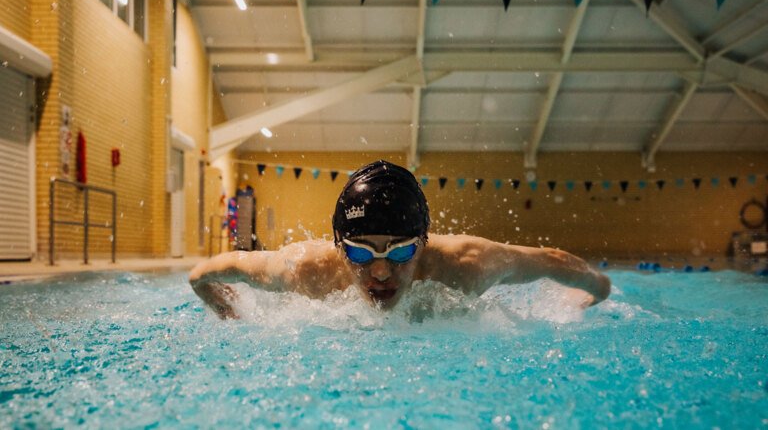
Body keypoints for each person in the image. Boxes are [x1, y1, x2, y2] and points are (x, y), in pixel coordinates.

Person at [190, 160, 611, 319]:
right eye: (359, 251)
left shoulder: (467, 265)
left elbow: (549, 260)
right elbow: (200, 276)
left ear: (423, 243)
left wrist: (597, 290)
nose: (379, 271)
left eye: (401, 250)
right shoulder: (305, 269)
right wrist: (229, 314)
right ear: (339, 246)